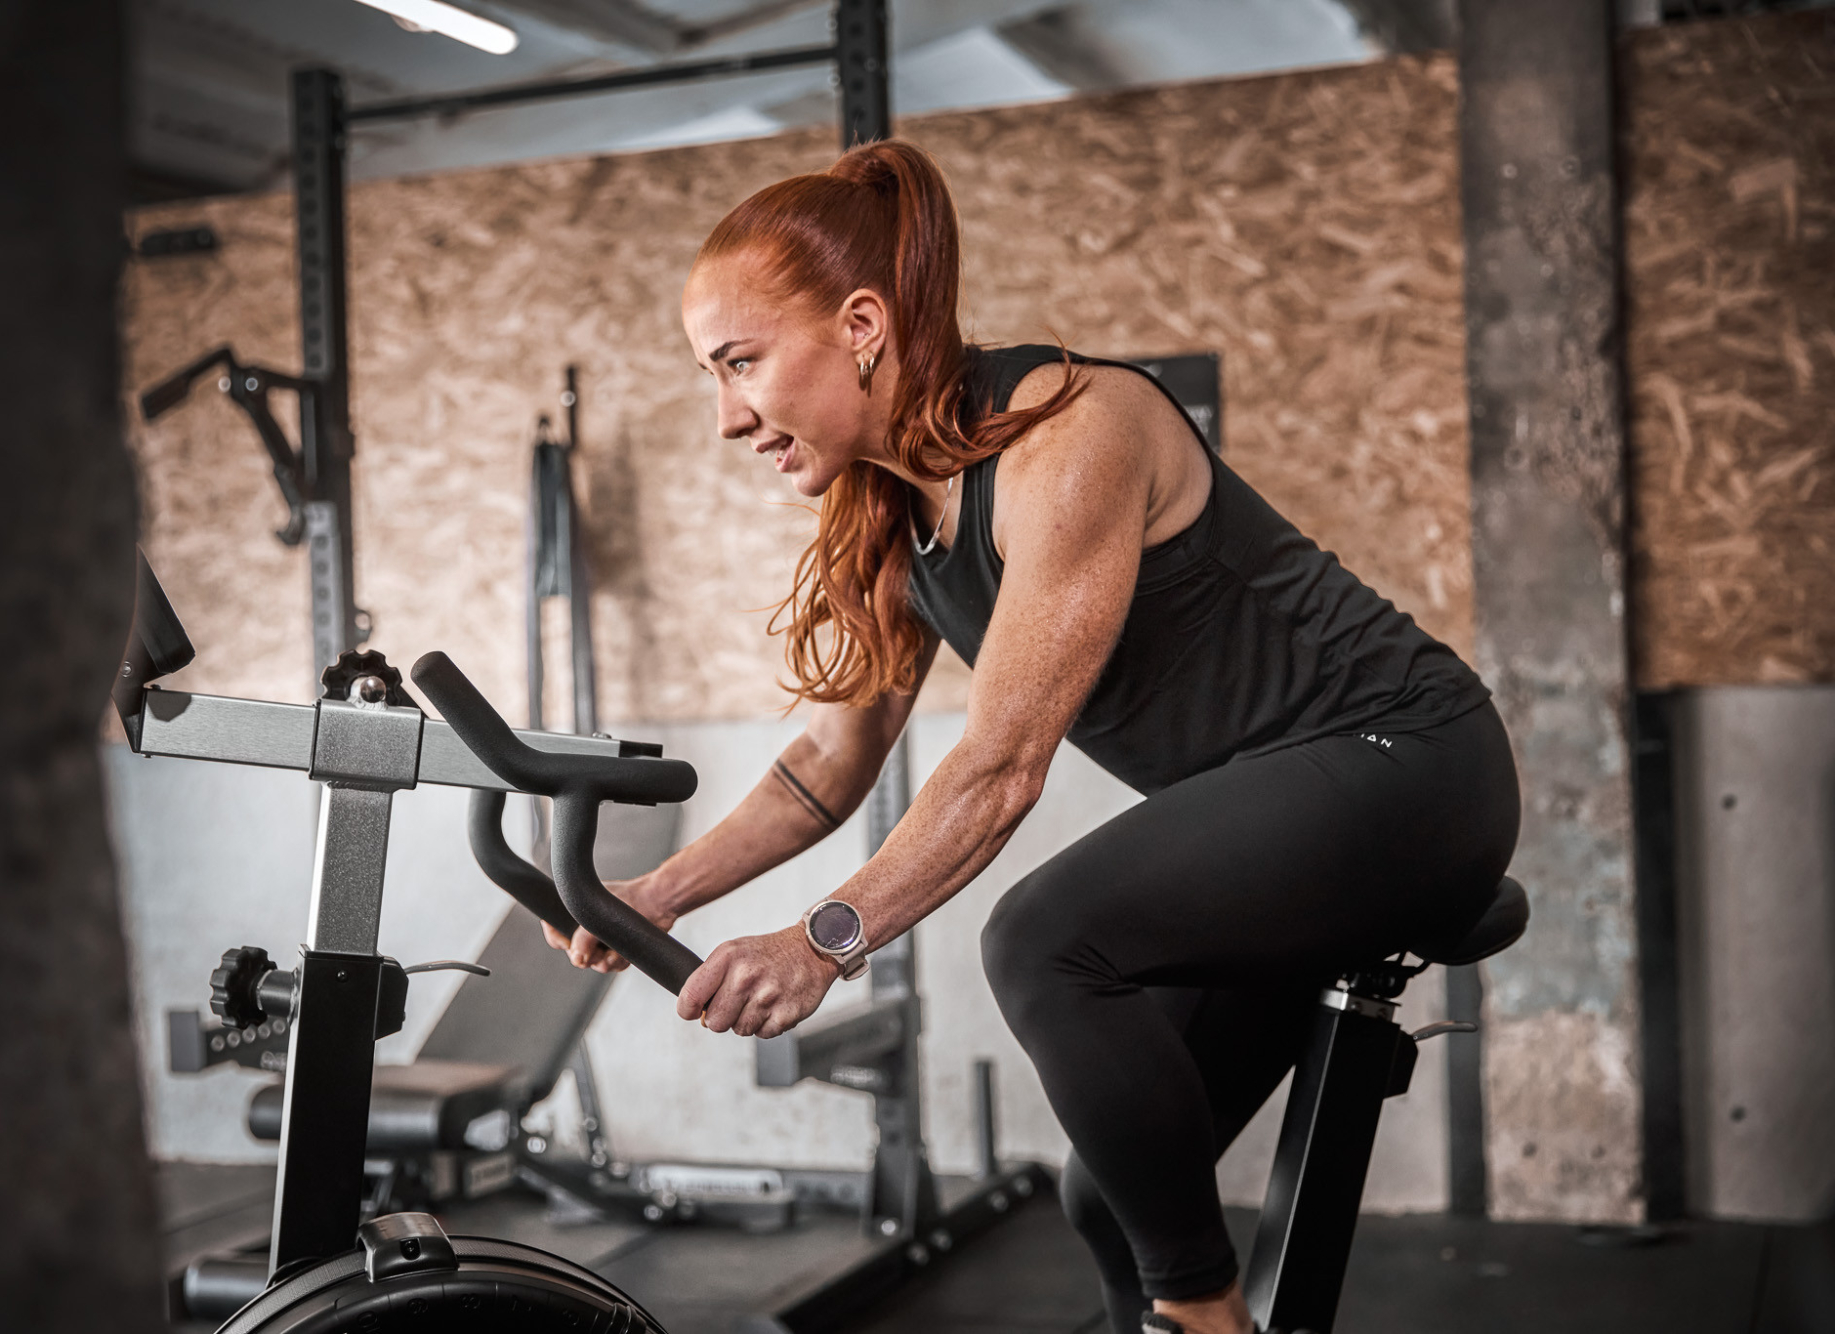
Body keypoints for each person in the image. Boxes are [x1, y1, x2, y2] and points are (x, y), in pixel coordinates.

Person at [540, 140, 1520, 1334]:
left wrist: (821, 938)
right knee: (1109, 1191)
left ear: (859, 323)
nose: (726, 417)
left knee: (1044, 937)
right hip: (1284, 810)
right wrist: (657, 891)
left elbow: (1001, 766)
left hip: (1410, 767)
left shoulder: (1066, 433)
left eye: (739, 364)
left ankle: (1206, 1325)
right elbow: (823, 766)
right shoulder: (896, 517)